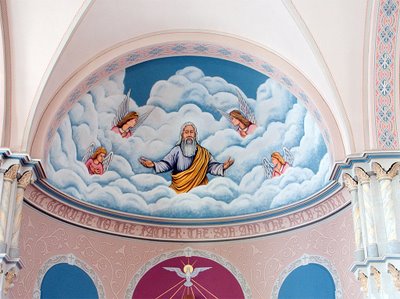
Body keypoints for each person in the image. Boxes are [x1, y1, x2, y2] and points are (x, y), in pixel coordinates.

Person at [139, 122, 234, 193]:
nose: (189, 135)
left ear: (195, 135)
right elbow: (166, 164)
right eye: (186, 132)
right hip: (178, 190)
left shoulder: (204, 153)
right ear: (182, 135)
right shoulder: (176, 150)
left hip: (199, 192)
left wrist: (223, 167)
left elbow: (211, 166)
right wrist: (153, 165)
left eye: (191, 132)